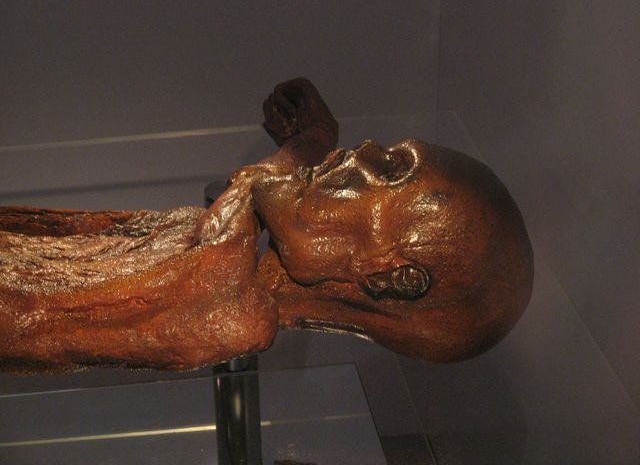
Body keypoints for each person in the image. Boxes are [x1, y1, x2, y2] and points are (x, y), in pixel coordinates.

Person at [0, 78, 532, 372]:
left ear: (388, 275)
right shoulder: (234, 254)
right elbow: (271, 194)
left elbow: (261, 192)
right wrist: (310, 141)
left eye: (390, 171)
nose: (367, 151)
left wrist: (304, 148)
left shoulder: (231, 300)